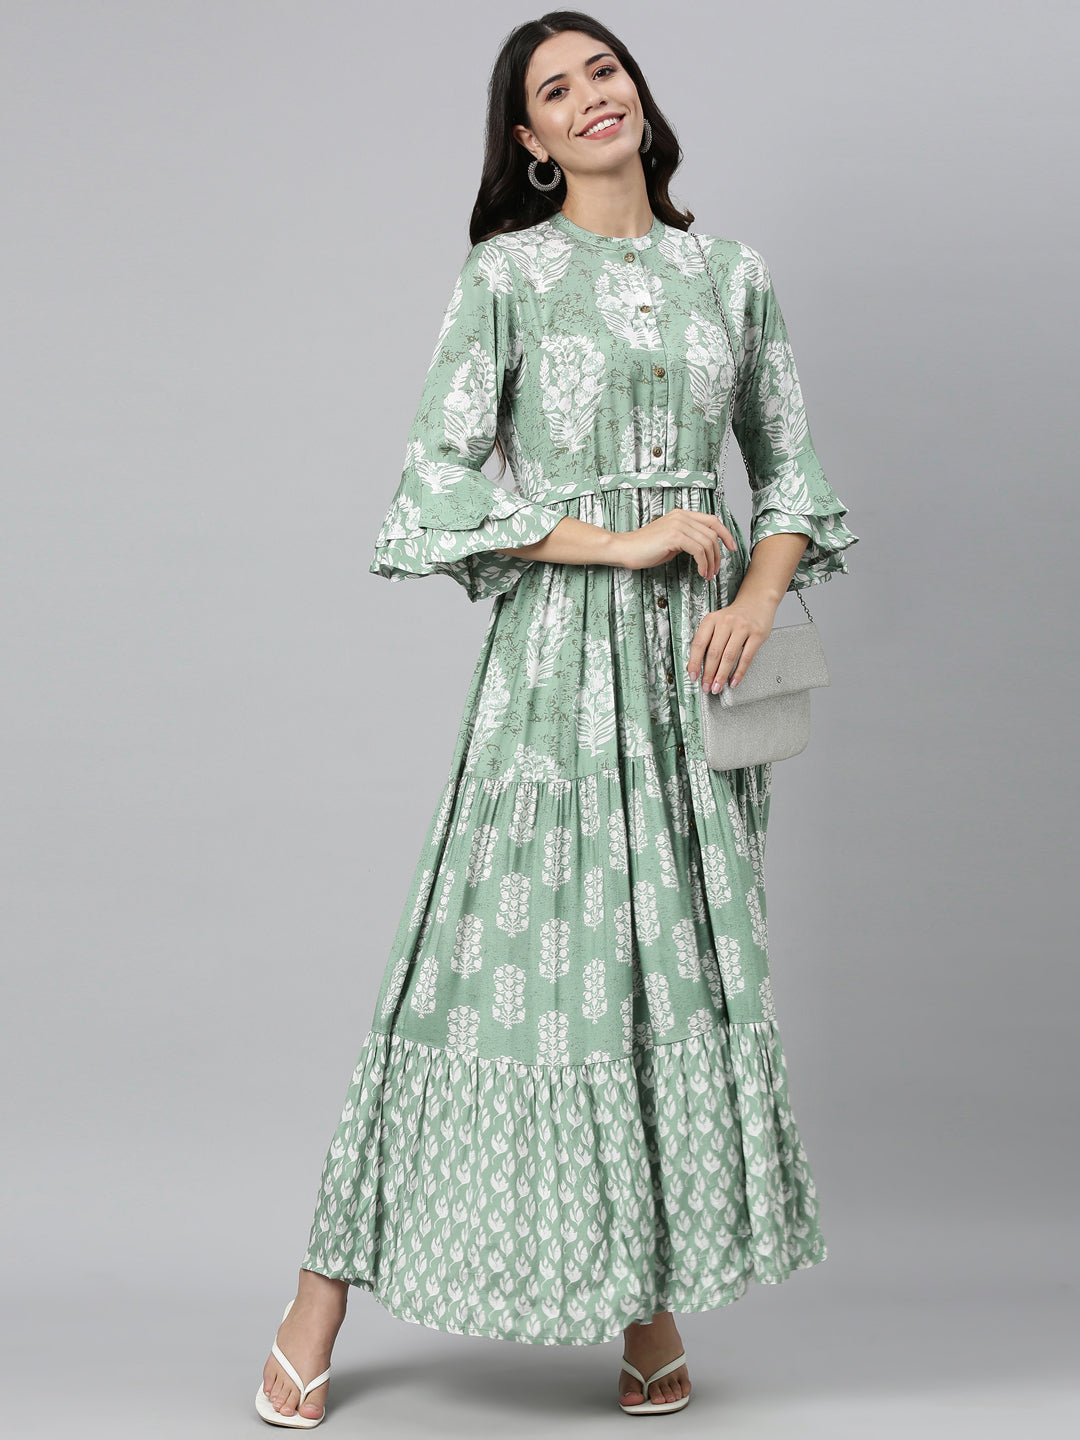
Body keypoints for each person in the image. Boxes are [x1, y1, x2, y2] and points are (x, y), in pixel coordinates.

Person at [257, 9, 858, 1426]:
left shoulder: (731, 276)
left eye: (604, 69)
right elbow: (434, 483)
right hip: (555, 683)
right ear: (528, 140)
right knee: (481, 972)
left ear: (639, 93)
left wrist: (756, 596)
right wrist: (623, 540)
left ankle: (646, 1309)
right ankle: (314, 1302)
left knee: (655, 977)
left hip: (695, 682)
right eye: (555, 89)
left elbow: (795, 479)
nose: (591, 96)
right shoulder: (510, 278)